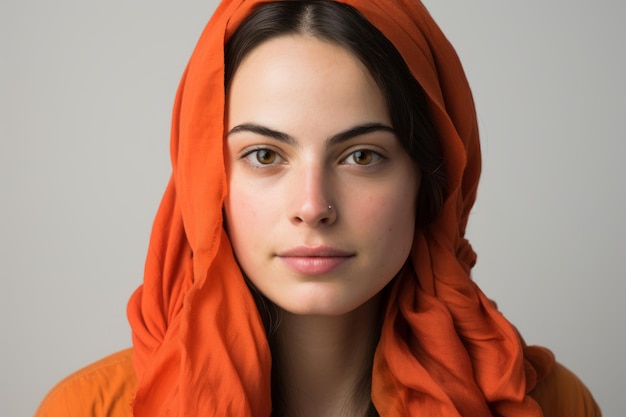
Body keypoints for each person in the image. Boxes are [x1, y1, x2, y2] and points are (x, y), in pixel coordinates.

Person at [35, 1, 601, 416]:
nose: (313, 206)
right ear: (208, 185)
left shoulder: (548, 406)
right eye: (264, 154)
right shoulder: (88, 409)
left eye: (361, 155)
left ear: (430, 182)